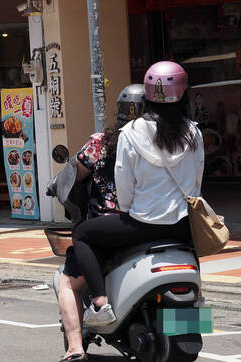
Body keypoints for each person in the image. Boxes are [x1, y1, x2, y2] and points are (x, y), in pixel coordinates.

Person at [74, 61, 203, 330]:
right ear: (183, 93)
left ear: (146, 95)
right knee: (191, 247)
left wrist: (137, 209)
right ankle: (196, 306)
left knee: (83, 234)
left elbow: (124, 191)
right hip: (182, 227)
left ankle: (100, 304)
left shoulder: (131, 133)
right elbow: (197, 182)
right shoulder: (194, 132)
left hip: (142, 225)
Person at [51, 84, 146, 362]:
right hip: (159, 224)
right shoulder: (164, 142)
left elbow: (74, 174)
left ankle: (75, 348)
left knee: (68, 281)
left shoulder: (101, 143)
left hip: (109, 228)